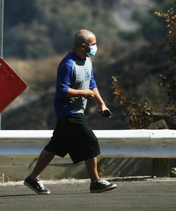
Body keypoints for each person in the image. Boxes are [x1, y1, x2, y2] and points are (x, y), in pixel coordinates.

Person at [24, 29, 117, 194]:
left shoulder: (87, 60)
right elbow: (62, 90)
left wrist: (102, 104)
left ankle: (32, 178)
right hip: (68, 111)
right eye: (93, 44)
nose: (95, 47)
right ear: (83, 46)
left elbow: (91, 83)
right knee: (90, 141)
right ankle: (95, 182)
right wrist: (83, 93)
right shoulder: (68, 64)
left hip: (77, 111)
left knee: (55, 147)